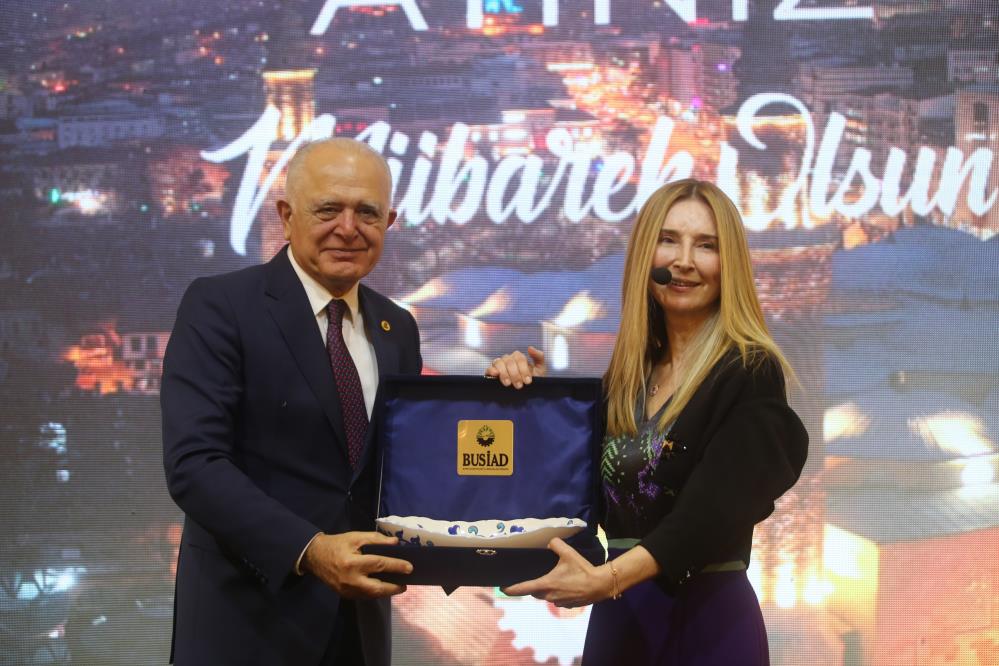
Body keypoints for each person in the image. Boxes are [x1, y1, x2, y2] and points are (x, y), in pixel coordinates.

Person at [487, 178, 808, 665]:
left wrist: (608, 579)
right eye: (668, 240)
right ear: (645, 256)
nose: (684, 261)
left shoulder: (749, 369)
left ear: (730, 265)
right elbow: (576, 500)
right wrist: (534, 404)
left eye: (706, 246)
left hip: (707, 625)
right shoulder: (624, 382)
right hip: (620, 623)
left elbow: (709, 514)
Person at [161, 138, 421, 666]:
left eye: (367, 213)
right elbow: (195, 465)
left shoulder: (398, 328)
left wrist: (502, 400)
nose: (348, 228)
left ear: (389, 222)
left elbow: (410, 466)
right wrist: (312, 550)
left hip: (360, 633)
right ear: (286, 216)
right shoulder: (220, 306)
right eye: (328, 209)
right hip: (245, 628)